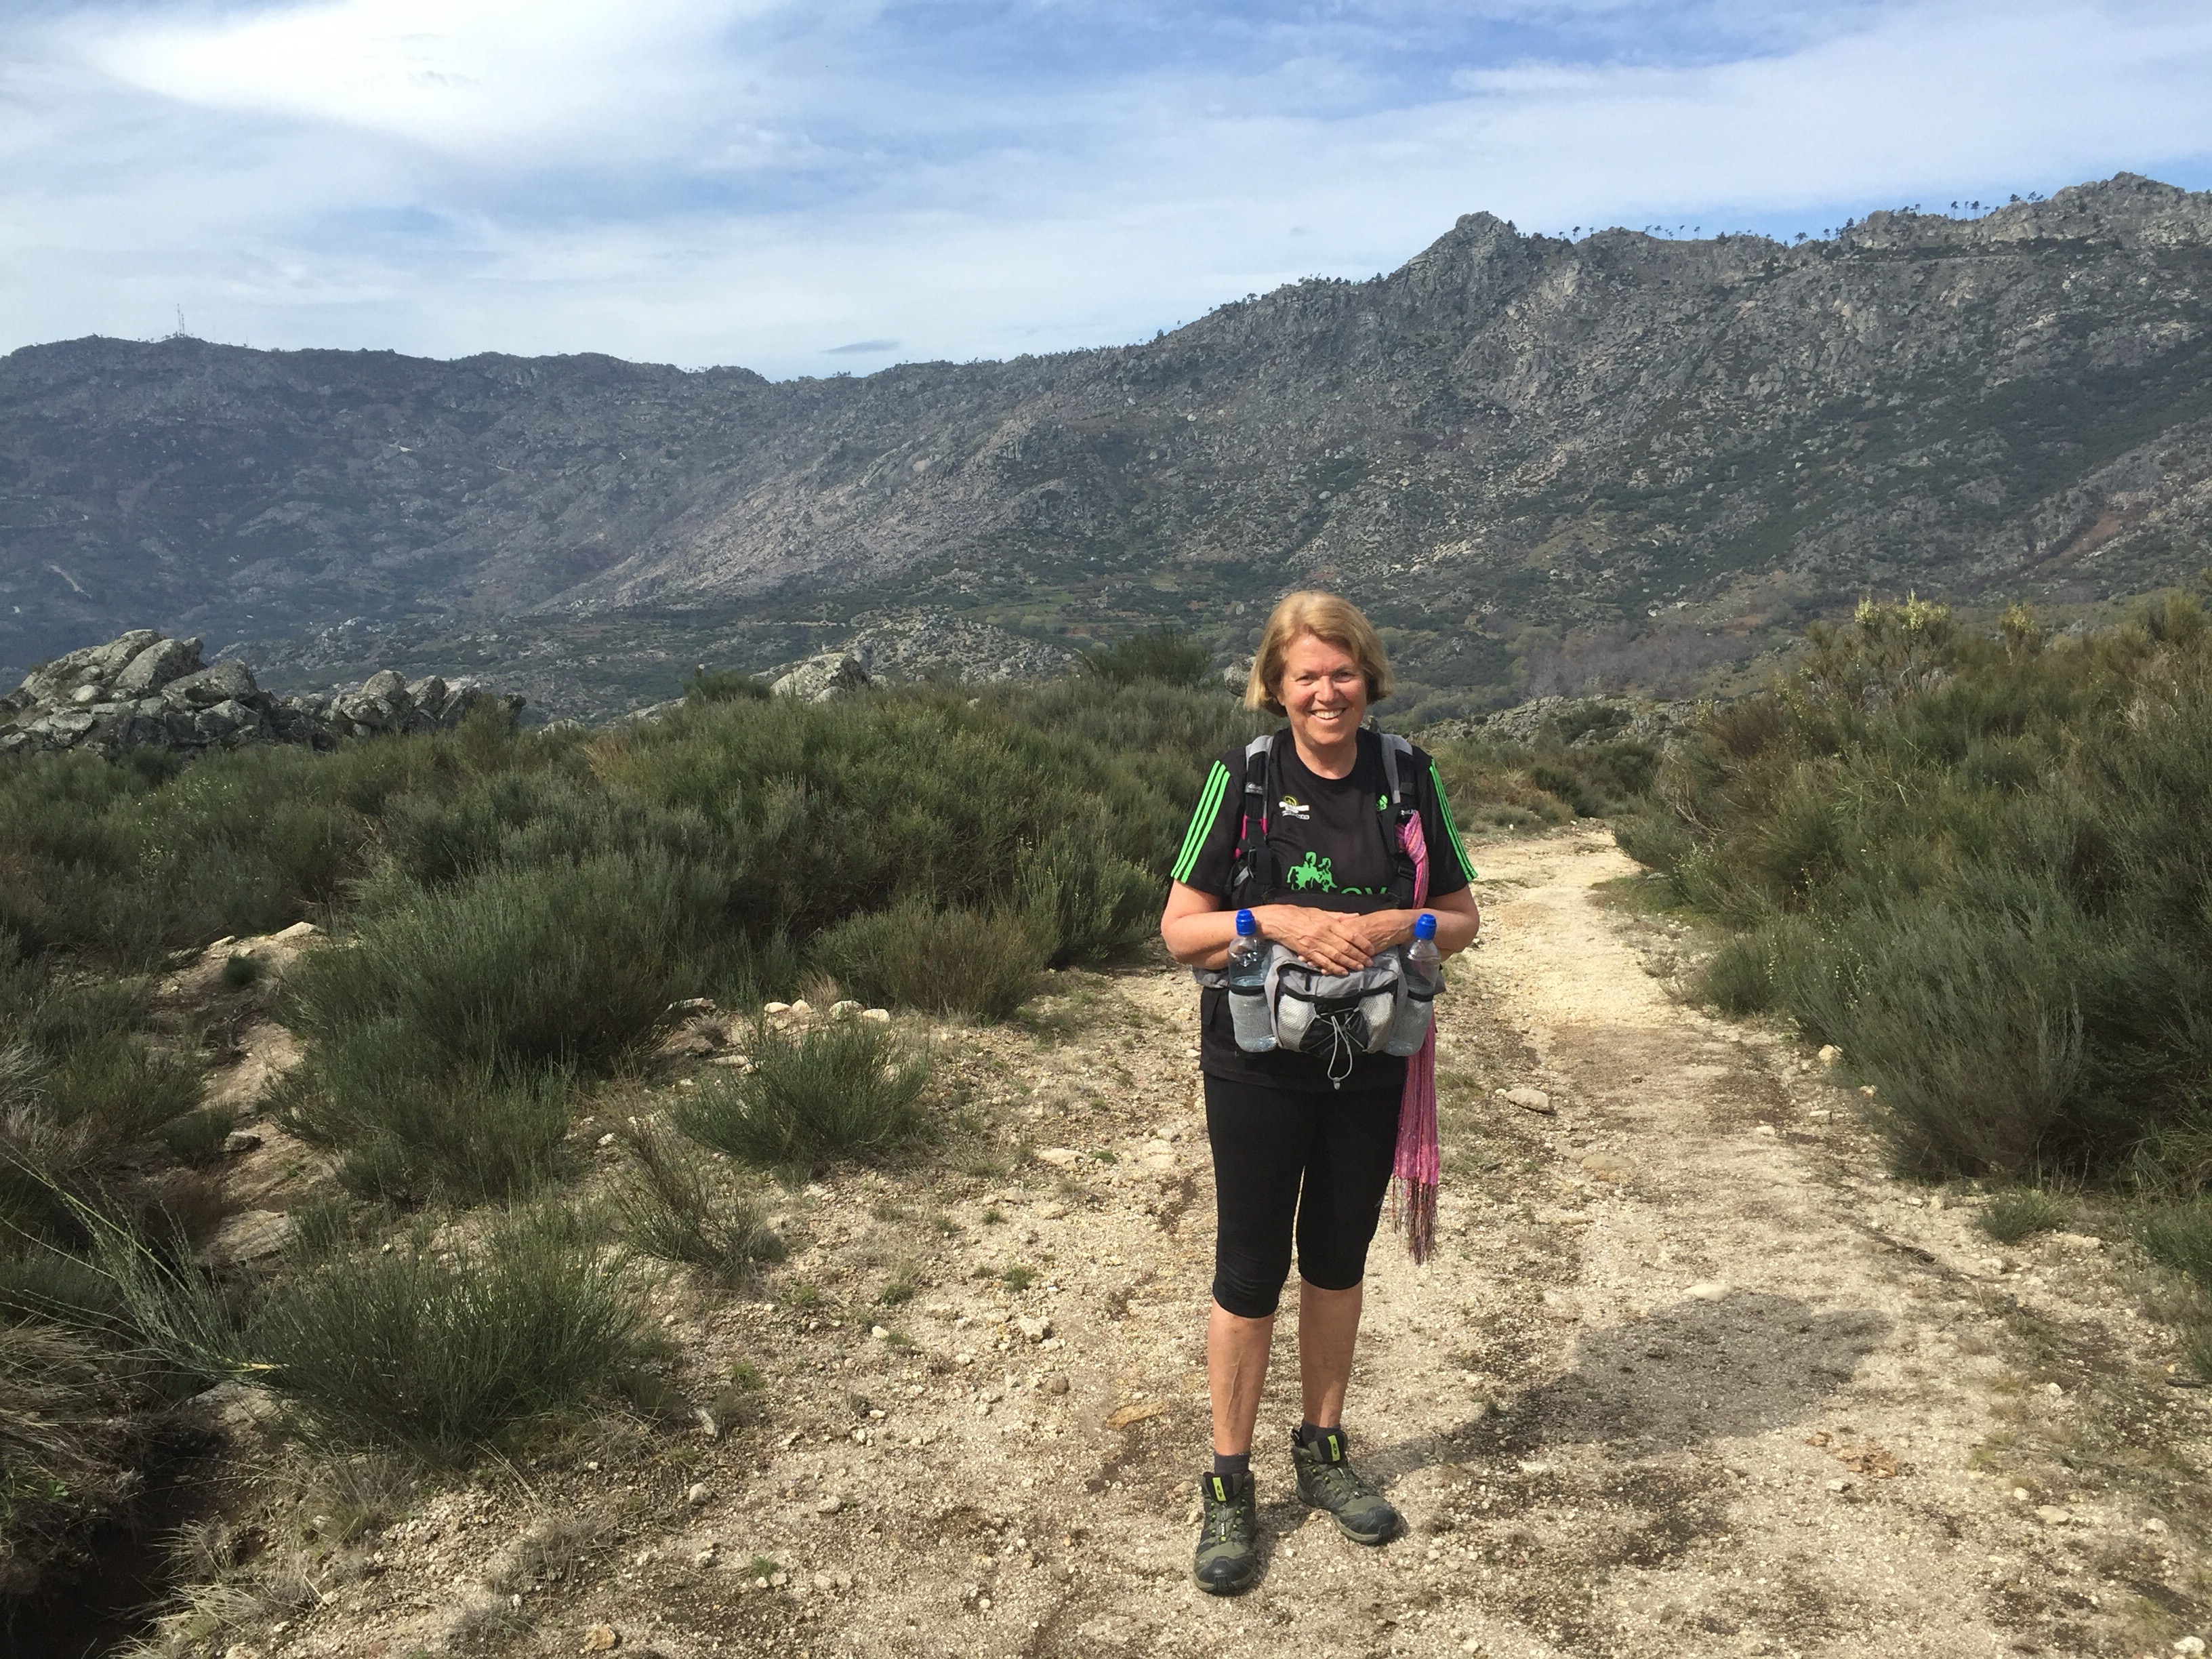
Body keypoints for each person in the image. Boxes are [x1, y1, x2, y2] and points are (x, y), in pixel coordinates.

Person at [1160, 590, 1481, 1596]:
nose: (1327, 692)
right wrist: (1275, 919)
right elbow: (1180, 931)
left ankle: (1324, 1450)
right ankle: (1228, 1485)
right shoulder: (1243, 778)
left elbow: (1461, 918)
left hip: (1372, 1062)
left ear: (1367, 678)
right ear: (1277, 685)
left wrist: (1396, 926)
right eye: (1307, 675)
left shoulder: (1407, 775)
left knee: (1338, 1261)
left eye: (1343, 672)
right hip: (1257, 1063)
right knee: (1250, 1268)